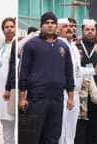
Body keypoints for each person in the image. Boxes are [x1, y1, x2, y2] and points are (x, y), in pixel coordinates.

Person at [18, 12, 75, 144]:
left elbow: (69, 72)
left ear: (56, 26)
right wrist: (22, 98)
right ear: (41, 25)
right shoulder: (31, 45)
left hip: (57, 99)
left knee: (53, 136)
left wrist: (71, 97)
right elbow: (23, 73)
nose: (50, 25)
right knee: (33, 136)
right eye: (47, 23)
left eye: (53, 23)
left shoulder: (63, 46)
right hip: (36, 99)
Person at [58, 18, 95, 144]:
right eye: (65, 26)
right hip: (63, 93)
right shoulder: (58, 45)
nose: (69, 29)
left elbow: (77, 70)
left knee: (71, 128)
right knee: (61, 128)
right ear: (58, 30)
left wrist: (96, 69)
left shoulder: (73, 46)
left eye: (71, 26)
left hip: (75, 93)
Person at [0, 17, 17, 144]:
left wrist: (9, 88)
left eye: (12, 26)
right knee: (5, 123)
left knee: (13, 119)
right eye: (7, 27)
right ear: (3, 29)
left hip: (12, 89)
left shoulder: (18, 45)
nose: (9, 29)